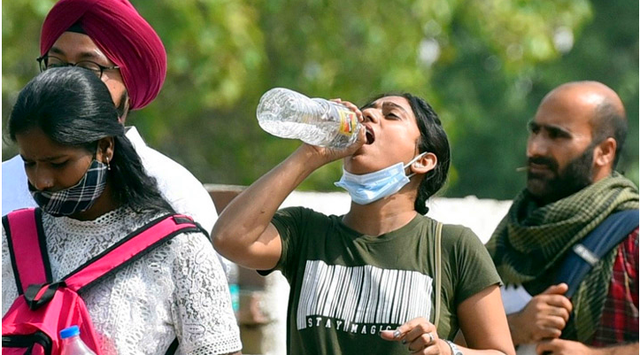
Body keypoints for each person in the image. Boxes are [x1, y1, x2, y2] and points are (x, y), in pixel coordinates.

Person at [212, 93, 516, 355]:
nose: (368, 113)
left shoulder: (452, 246)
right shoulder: (306, 231)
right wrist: (310, 153)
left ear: (423, 160)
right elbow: (229, 237)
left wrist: (447, 350)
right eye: (368, 109)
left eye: (391, 115)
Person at [1, 67, 242, 355]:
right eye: (30, 163)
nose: (41, 181)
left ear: (104, 148)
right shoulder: (10, 242)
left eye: (58, 163)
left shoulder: (179, 250)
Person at [1, 0, 218, 237]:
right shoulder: (5, 184)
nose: (70, 81)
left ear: (129, 80)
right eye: (57, 65)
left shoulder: (177, 193)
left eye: (90, 67)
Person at [486, 81, 638, 355]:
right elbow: (446, 339)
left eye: (557, 136)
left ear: (604, 151)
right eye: (535, 131)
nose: (536, 149)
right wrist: (514, 328)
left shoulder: (633, 239)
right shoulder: (508, 235)